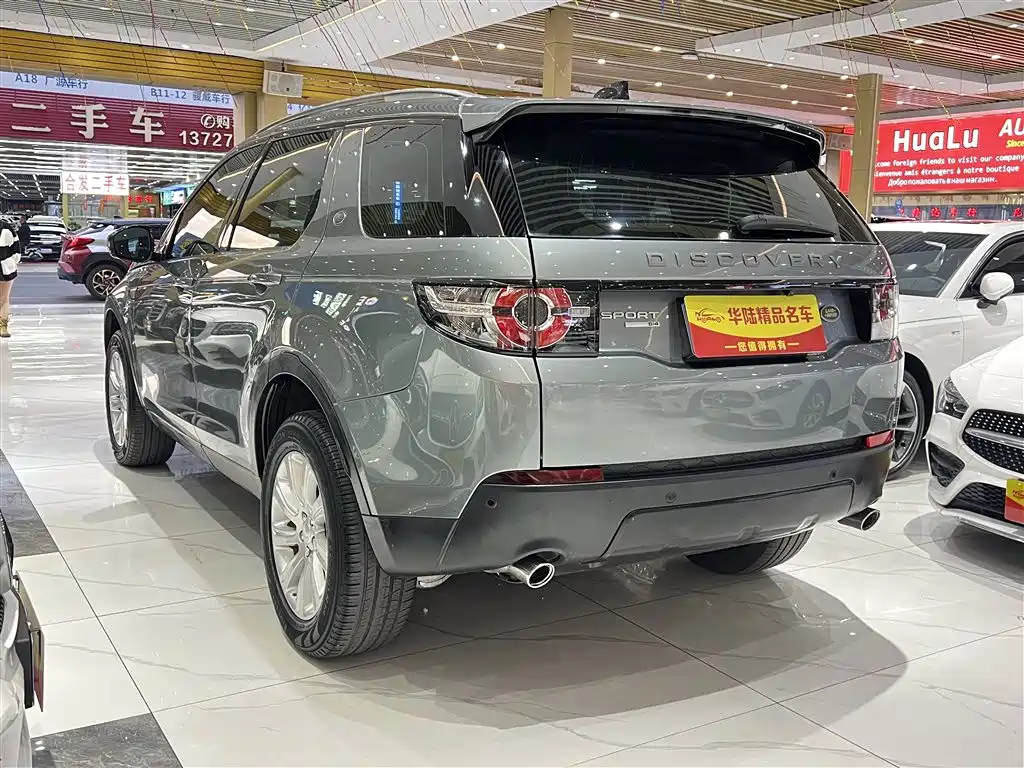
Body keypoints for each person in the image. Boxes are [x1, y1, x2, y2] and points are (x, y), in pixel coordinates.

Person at [0, 218, 19, 338]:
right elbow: (16, 251)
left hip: (5, 267)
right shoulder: (7, 227)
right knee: (4, 299)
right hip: (6, 267)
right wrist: (11, 262)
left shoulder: (7, 227)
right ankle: (3, 327)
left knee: (4, 299)